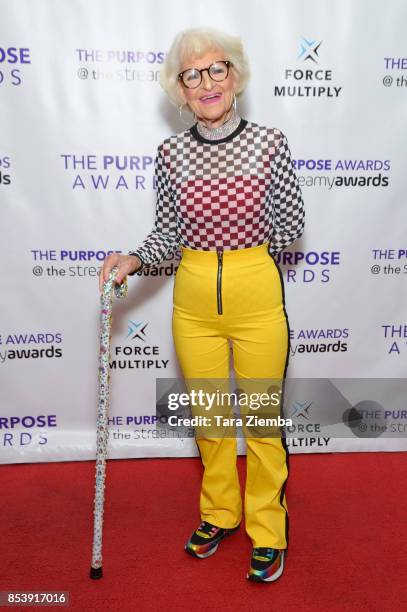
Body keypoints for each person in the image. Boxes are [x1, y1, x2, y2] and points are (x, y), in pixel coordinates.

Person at [100, 27, 304, 583]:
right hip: (192, 303)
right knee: (211, 421)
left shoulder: (270, 143)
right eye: (192, 75)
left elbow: (292, 227)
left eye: (216, 69)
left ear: (235, 76)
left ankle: (268, 529)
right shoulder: (170, 153)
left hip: (257, 297)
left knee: (261, 423)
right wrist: (133, 258)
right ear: (180, 90)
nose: (206, 83)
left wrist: (241, 242)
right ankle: (220, 512)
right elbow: (167, 235)